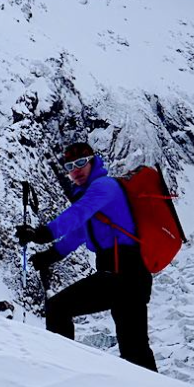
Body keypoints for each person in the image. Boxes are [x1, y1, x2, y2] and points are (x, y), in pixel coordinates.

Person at [15, 142, 158, 372]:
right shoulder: (96, 198)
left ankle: (62, 371)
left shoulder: (104, 187)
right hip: (128, 278)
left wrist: (42, 234)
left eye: (82, 163)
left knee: (58, 308)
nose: (76, 170)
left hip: (122, 274)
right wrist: (50, 255)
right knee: (135, 349)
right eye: (70, 166)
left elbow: (77, 214)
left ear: (94, 162)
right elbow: (80, 232)